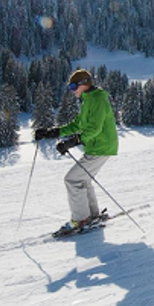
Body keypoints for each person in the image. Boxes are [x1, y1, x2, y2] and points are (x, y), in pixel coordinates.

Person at [34, 69, 119, 236]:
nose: (72, 91)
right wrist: (54, 132)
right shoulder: (88, 100)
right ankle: (91, 215)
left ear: (84, 84)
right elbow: (78, 124)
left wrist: (73, 142)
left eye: (73, 86)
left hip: (101, 146)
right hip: (96, 146)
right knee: (82, 179)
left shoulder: (98, 100)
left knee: (72, 179)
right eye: (70, 87)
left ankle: (81, 219)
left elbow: (94, 128)